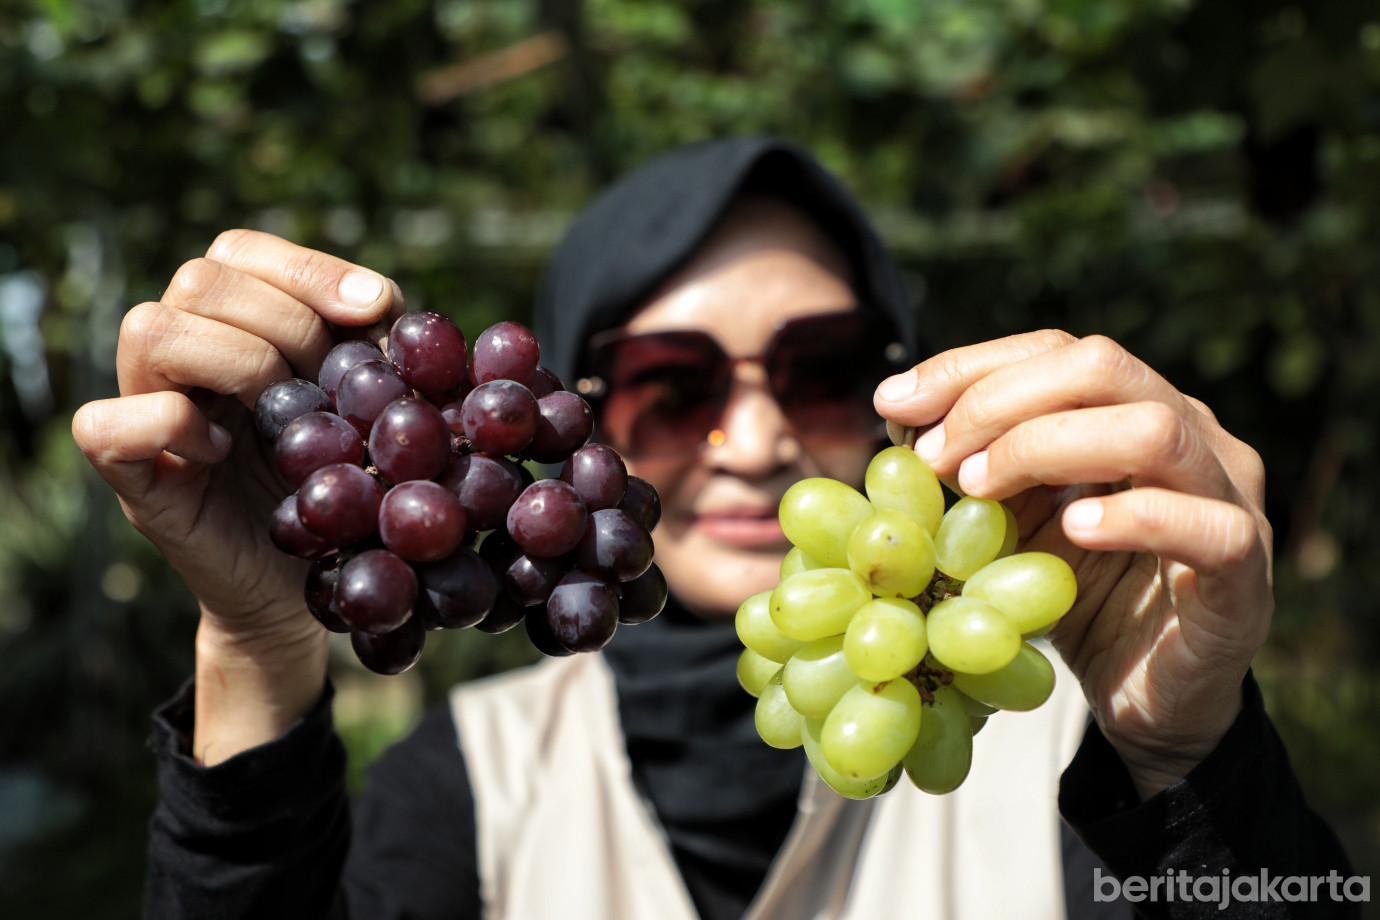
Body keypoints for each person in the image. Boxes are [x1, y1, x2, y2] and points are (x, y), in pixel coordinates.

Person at [71, 137, 1354, 919]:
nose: (753, 441)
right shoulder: (464, 784)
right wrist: (252, 641)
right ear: (552, 422)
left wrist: (1193, 773)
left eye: (821, 365)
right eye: (671, 385)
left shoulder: (1076, 769)